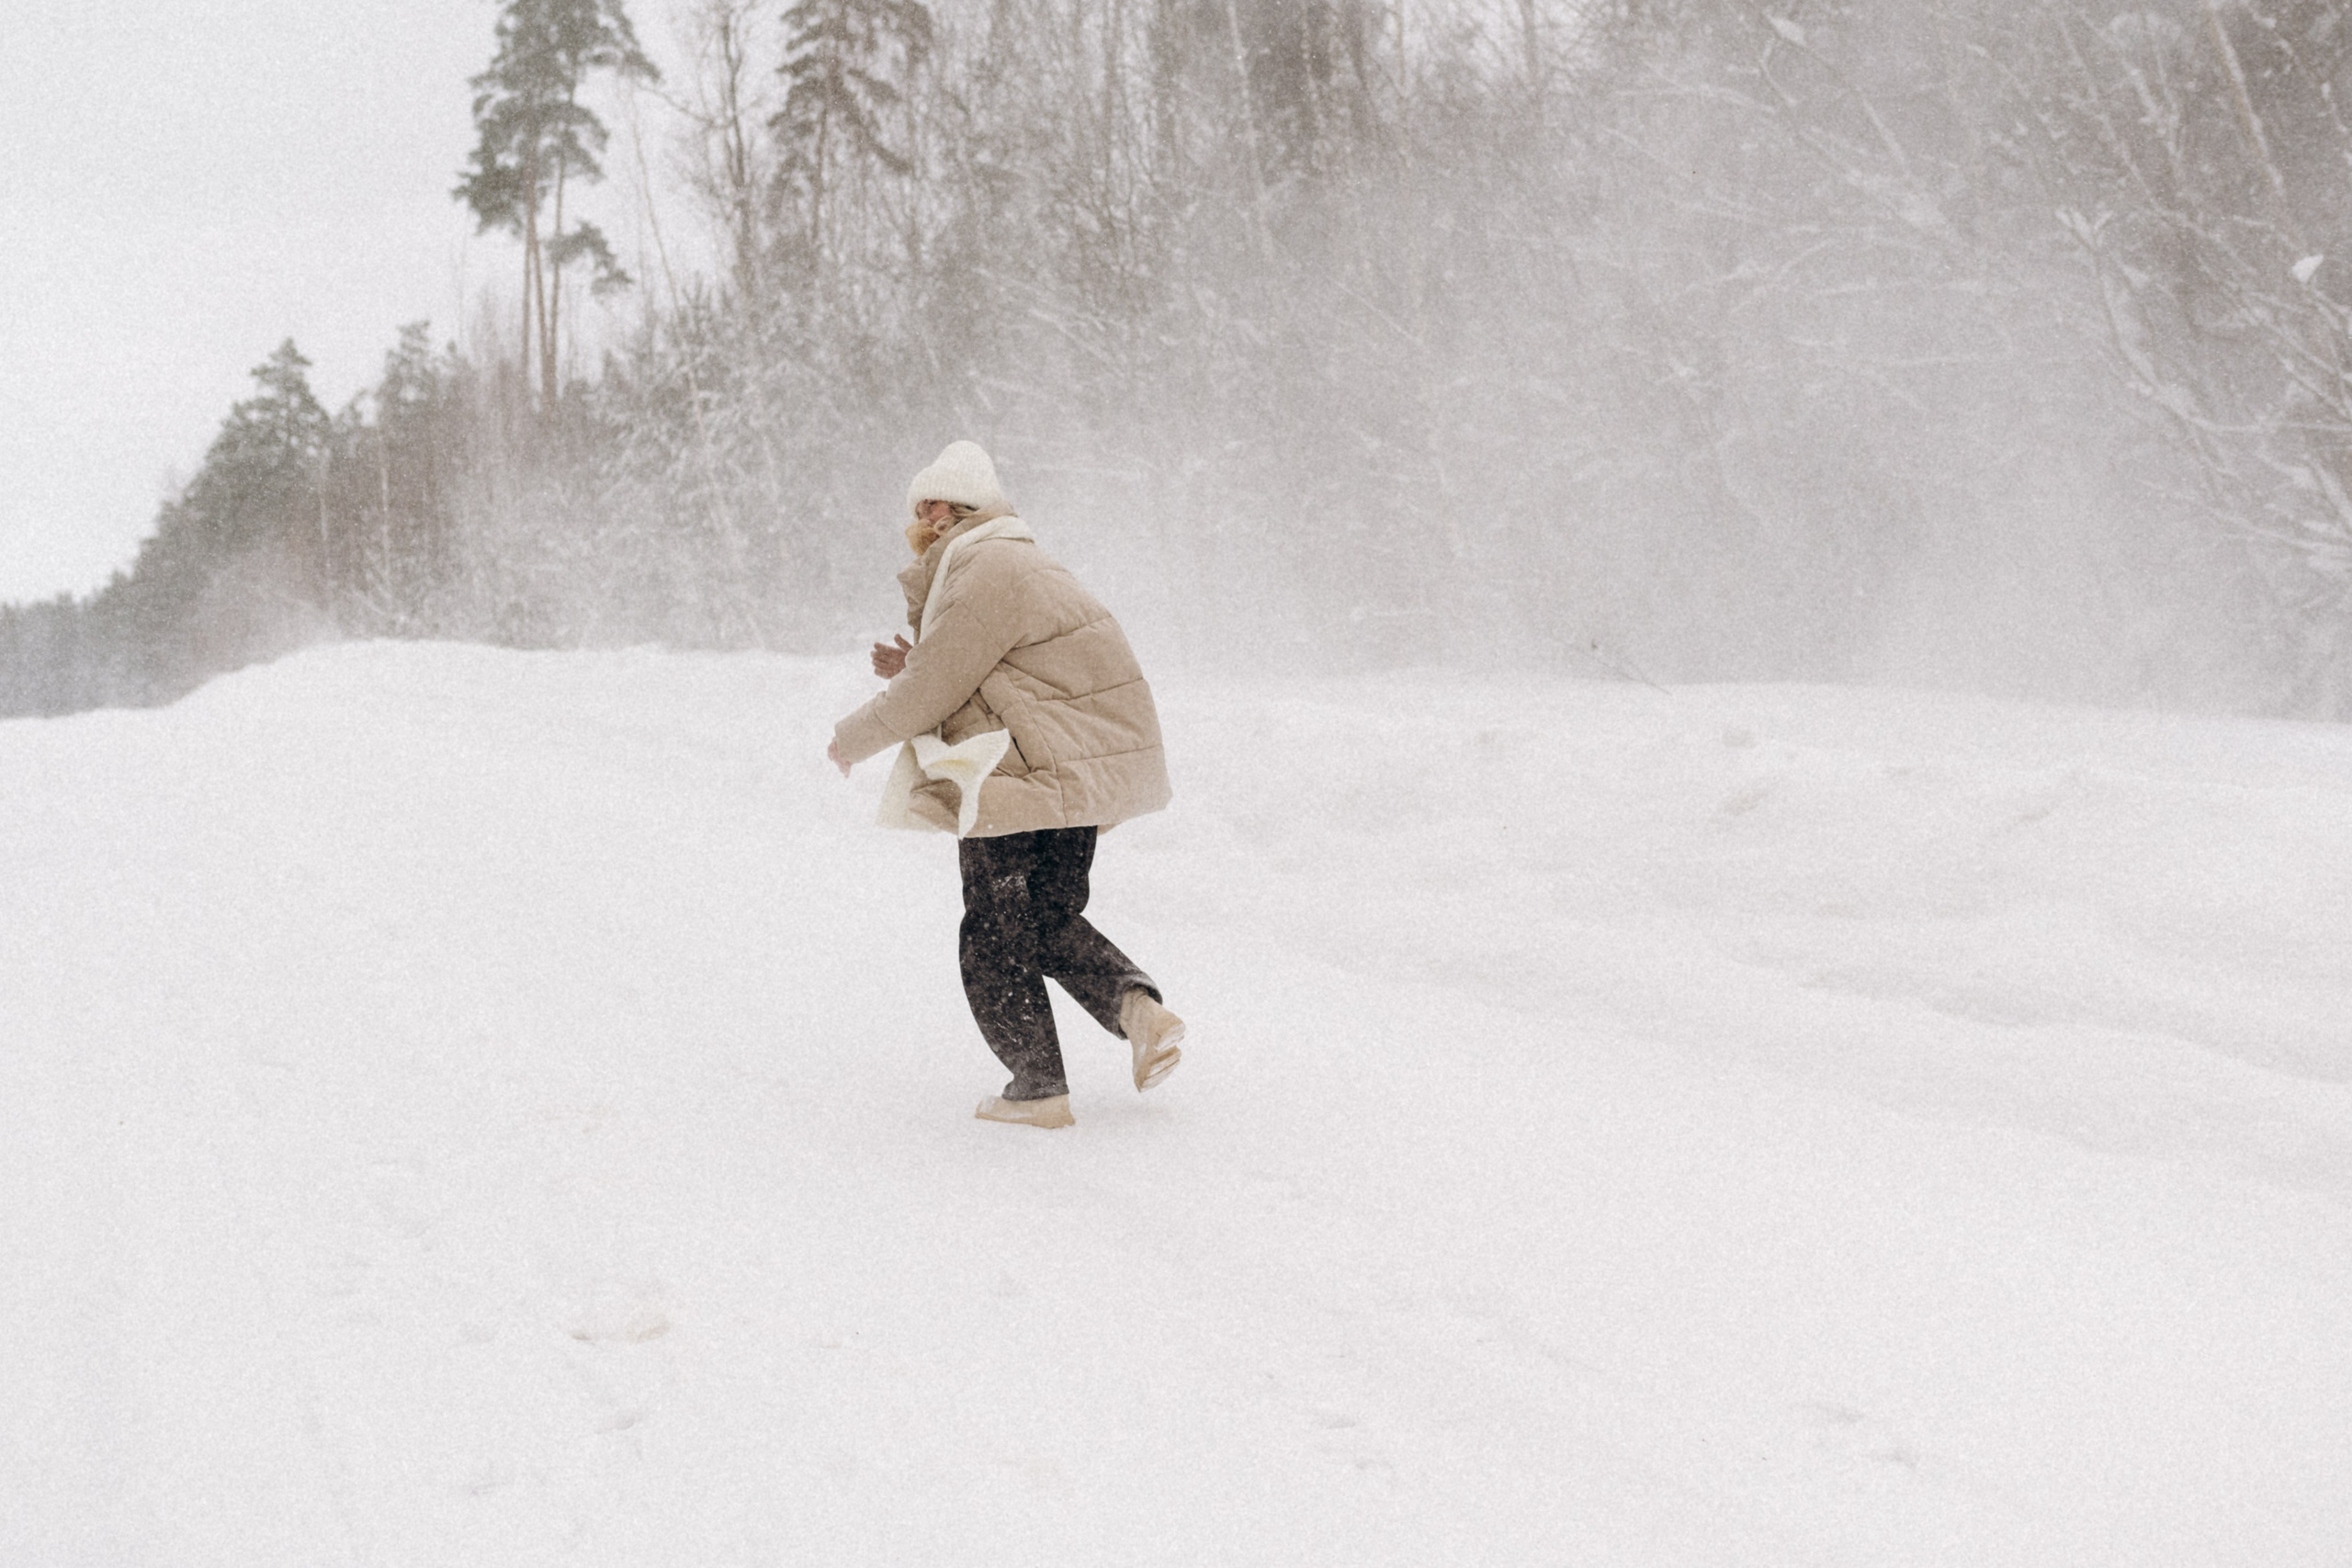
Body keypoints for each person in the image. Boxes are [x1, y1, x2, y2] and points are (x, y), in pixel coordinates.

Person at [827, 441, 1183, 1129]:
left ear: (954, 506)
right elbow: (998, 667)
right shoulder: (1017, 559)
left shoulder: (985, 563)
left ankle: (1038, 1085)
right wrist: (916, 659)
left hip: (1020, 772)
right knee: (1045, 919)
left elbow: (938, 686)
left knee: (991, 930)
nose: (919, 521)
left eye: (928, 506)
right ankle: (1140, 1010)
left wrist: (853, 737)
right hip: (1067, 771)